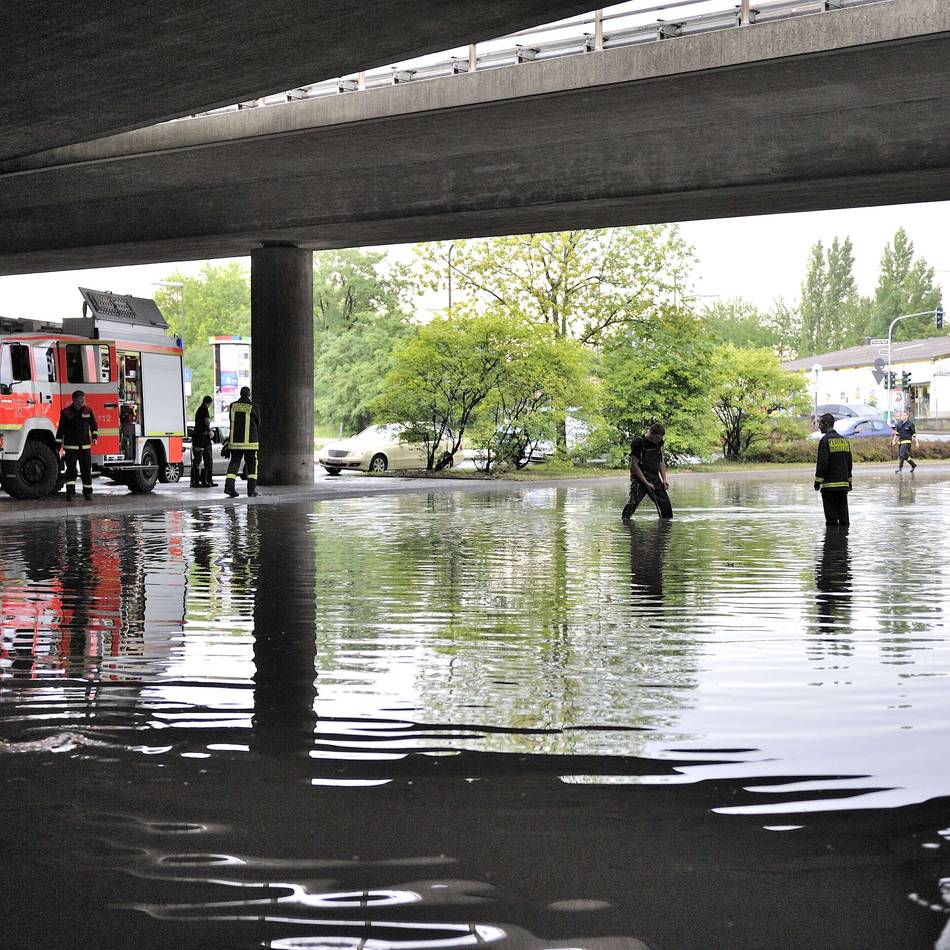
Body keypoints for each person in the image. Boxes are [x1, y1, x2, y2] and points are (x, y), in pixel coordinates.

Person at [621, 422, 673, 521]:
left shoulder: (659, 442)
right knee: (633, 503)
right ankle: (625, 523)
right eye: (658, 438)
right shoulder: (638, 442)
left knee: (665, 505)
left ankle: (665, 529)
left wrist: (664, 479)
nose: (659, 440)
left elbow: (660, 461)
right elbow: (634, 466)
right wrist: (645, 483)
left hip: (654, 477)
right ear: (652, 433)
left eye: (660, 438)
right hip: (639, 479)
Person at [55, 390, 98, 500]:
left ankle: (87, 492)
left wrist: (94, 437)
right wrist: (57, 446)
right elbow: (61, 430)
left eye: (84, 398)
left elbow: (94, 425)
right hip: (71, 447)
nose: (83, 400)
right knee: (71, 471)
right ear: (74, 400)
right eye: (80, 398)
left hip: (85, 447)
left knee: (86, 470)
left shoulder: (88, 410)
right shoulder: (66, 413)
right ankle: (70, 494)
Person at [814, 412, 852, 525]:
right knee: (844, 519)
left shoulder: (825, 441)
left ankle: (832, 540)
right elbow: (849, 463)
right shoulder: (844, 440)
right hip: (843, 487)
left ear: (826, 424)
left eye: (820, 424)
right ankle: (843, 540)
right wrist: (849, 482)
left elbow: (823, 463)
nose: (819, 426)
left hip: (829, 487)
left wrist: (817, 481)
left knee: (831, 521)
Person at [225, 386, 260, 498]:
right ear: (249, 394)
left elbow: (231, 421)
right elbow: (258, 423)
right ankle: (251, 490)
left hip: (235, 442)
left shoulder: (232, 406)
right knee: (251, 465)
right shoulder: (254, 407)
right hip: (250, 443)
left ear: (240, 394)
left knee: (234, 463)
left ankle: (229, 487)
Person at [190, 395, 216, 488]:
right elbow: (207, 421)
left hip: (198, 438)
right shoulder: (204, 409)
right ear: (209, 403)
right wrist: (209, 430)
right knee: (207, 460)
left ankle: (195, 481)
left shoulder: (199, 409)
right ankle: (207, 480)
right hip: (203, 438)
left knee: (197, 460)